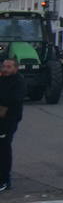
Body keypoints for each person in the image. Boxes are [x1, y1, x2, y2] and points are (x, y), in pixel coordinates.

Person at [0, 58, 25, 193]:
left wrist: (3, 107)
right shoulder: (2, 78)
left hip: (9, 120)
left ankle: (4, 180)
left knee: (3, 149)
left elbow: (14, 99)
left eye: (9, 67)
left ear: (15, 68)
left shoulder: (18, 81)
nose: (5, 69)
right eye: (4, 66)